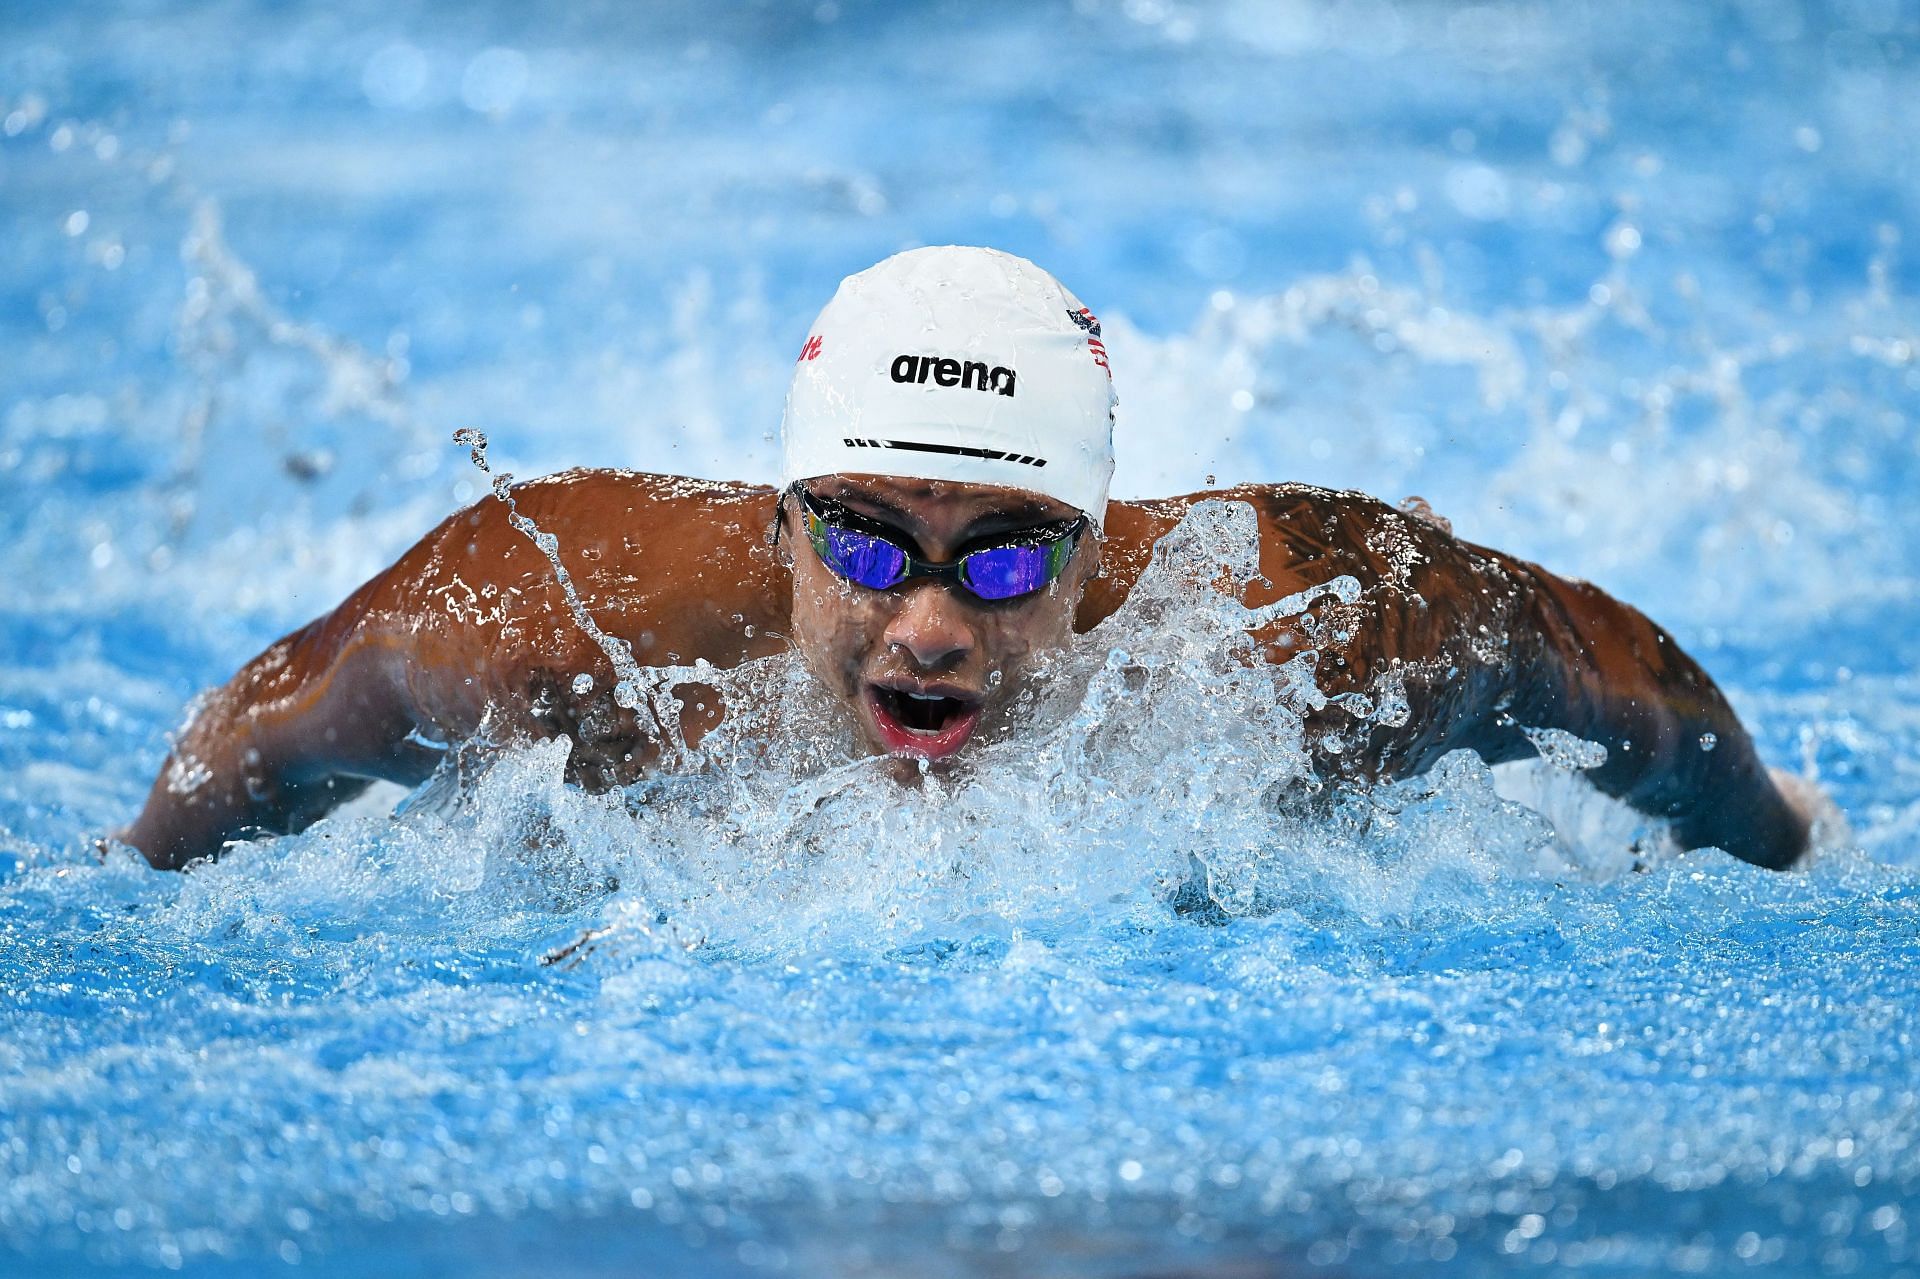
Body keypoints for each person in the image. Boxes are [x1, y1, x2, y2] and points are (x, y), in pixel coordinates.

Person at [116, 246, 1814, 872]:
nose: (929, 629)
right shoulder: (547, 626)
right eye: (866, 544)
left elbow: (1610, 675)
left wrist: (1789, 840)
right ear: (780, 527)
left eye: (1008, 562)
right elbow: (250, 736)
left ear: (1095, 552)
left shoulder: (1303, 636)